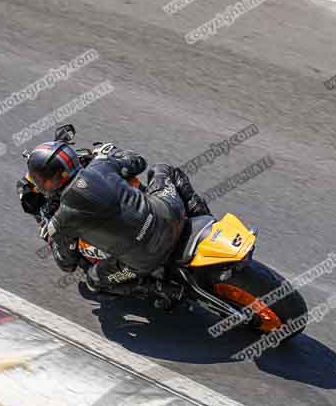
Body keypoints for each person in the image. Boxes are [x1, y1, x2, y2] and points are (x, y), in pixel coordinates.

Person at [16, 126, 211, 295]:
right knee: (164, 170)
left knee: (93, 281)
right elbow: (138, 162)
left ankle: (160, 289)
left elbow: (67, 264)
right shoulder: (101, 166)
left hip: (142, 263)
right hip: (171, 215)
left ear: (48, 181)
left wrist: (50, 233)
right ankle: (202, 215)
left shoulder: (62, 220)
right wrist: (108, 154)